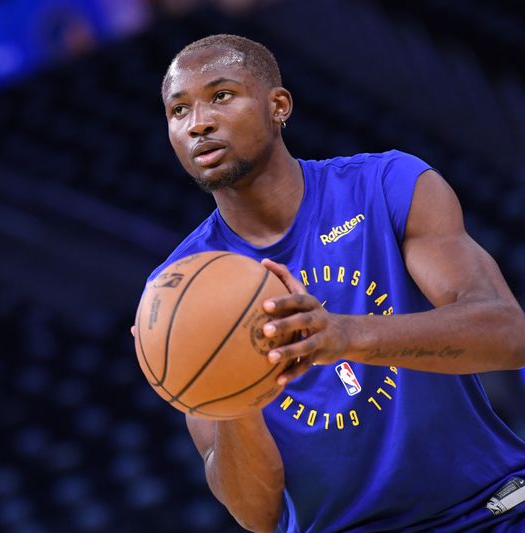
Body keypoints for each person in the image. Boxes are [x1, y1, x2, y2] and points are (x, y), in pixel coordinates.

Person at [144, 34, 525, 532]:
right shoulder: (178, 287)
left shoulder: (387, 185)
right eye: (179, 110)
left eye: (221, 96)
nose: (199, 123)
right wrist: (230, 391)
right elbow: (257, 516)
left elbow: (507, 334)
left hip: (488, 510)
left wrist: (344, 336)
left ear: (278, 105)